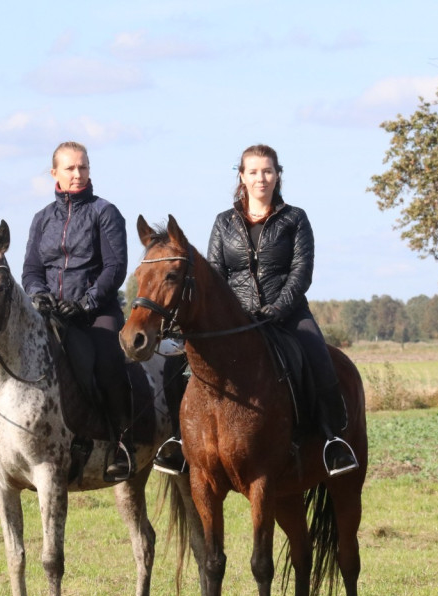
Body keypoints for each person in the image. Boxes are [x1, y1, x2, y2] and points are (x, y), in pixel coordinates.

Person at [156, 143, 358, 477]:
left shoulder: (295, 219)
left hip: (287, 314)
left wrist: (278, 308)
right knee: (176, 365)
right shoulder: (223, 223)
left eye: (267, 171)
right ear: (242, 177)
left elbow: (301, 272)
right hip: (235, 321)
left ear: (278, 176)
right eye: (253, 172)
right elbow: (216, 277)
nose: (260, 178)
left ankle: (331, 441)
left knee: (318, 355)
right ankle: (179, 442)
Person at [21, 141, 135, 482]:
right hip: (50, 312)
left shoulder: (105, 212)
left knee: (107, 360)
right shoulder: (41, 219)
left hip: (94, 312)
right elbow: (30, 269)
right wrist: (39, 295)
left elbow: (115, 267)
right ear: (54, 172)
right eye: (70, 168)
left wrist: (86, 302)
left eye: (82, 167)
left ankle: (122, 443)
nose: (77, 174)